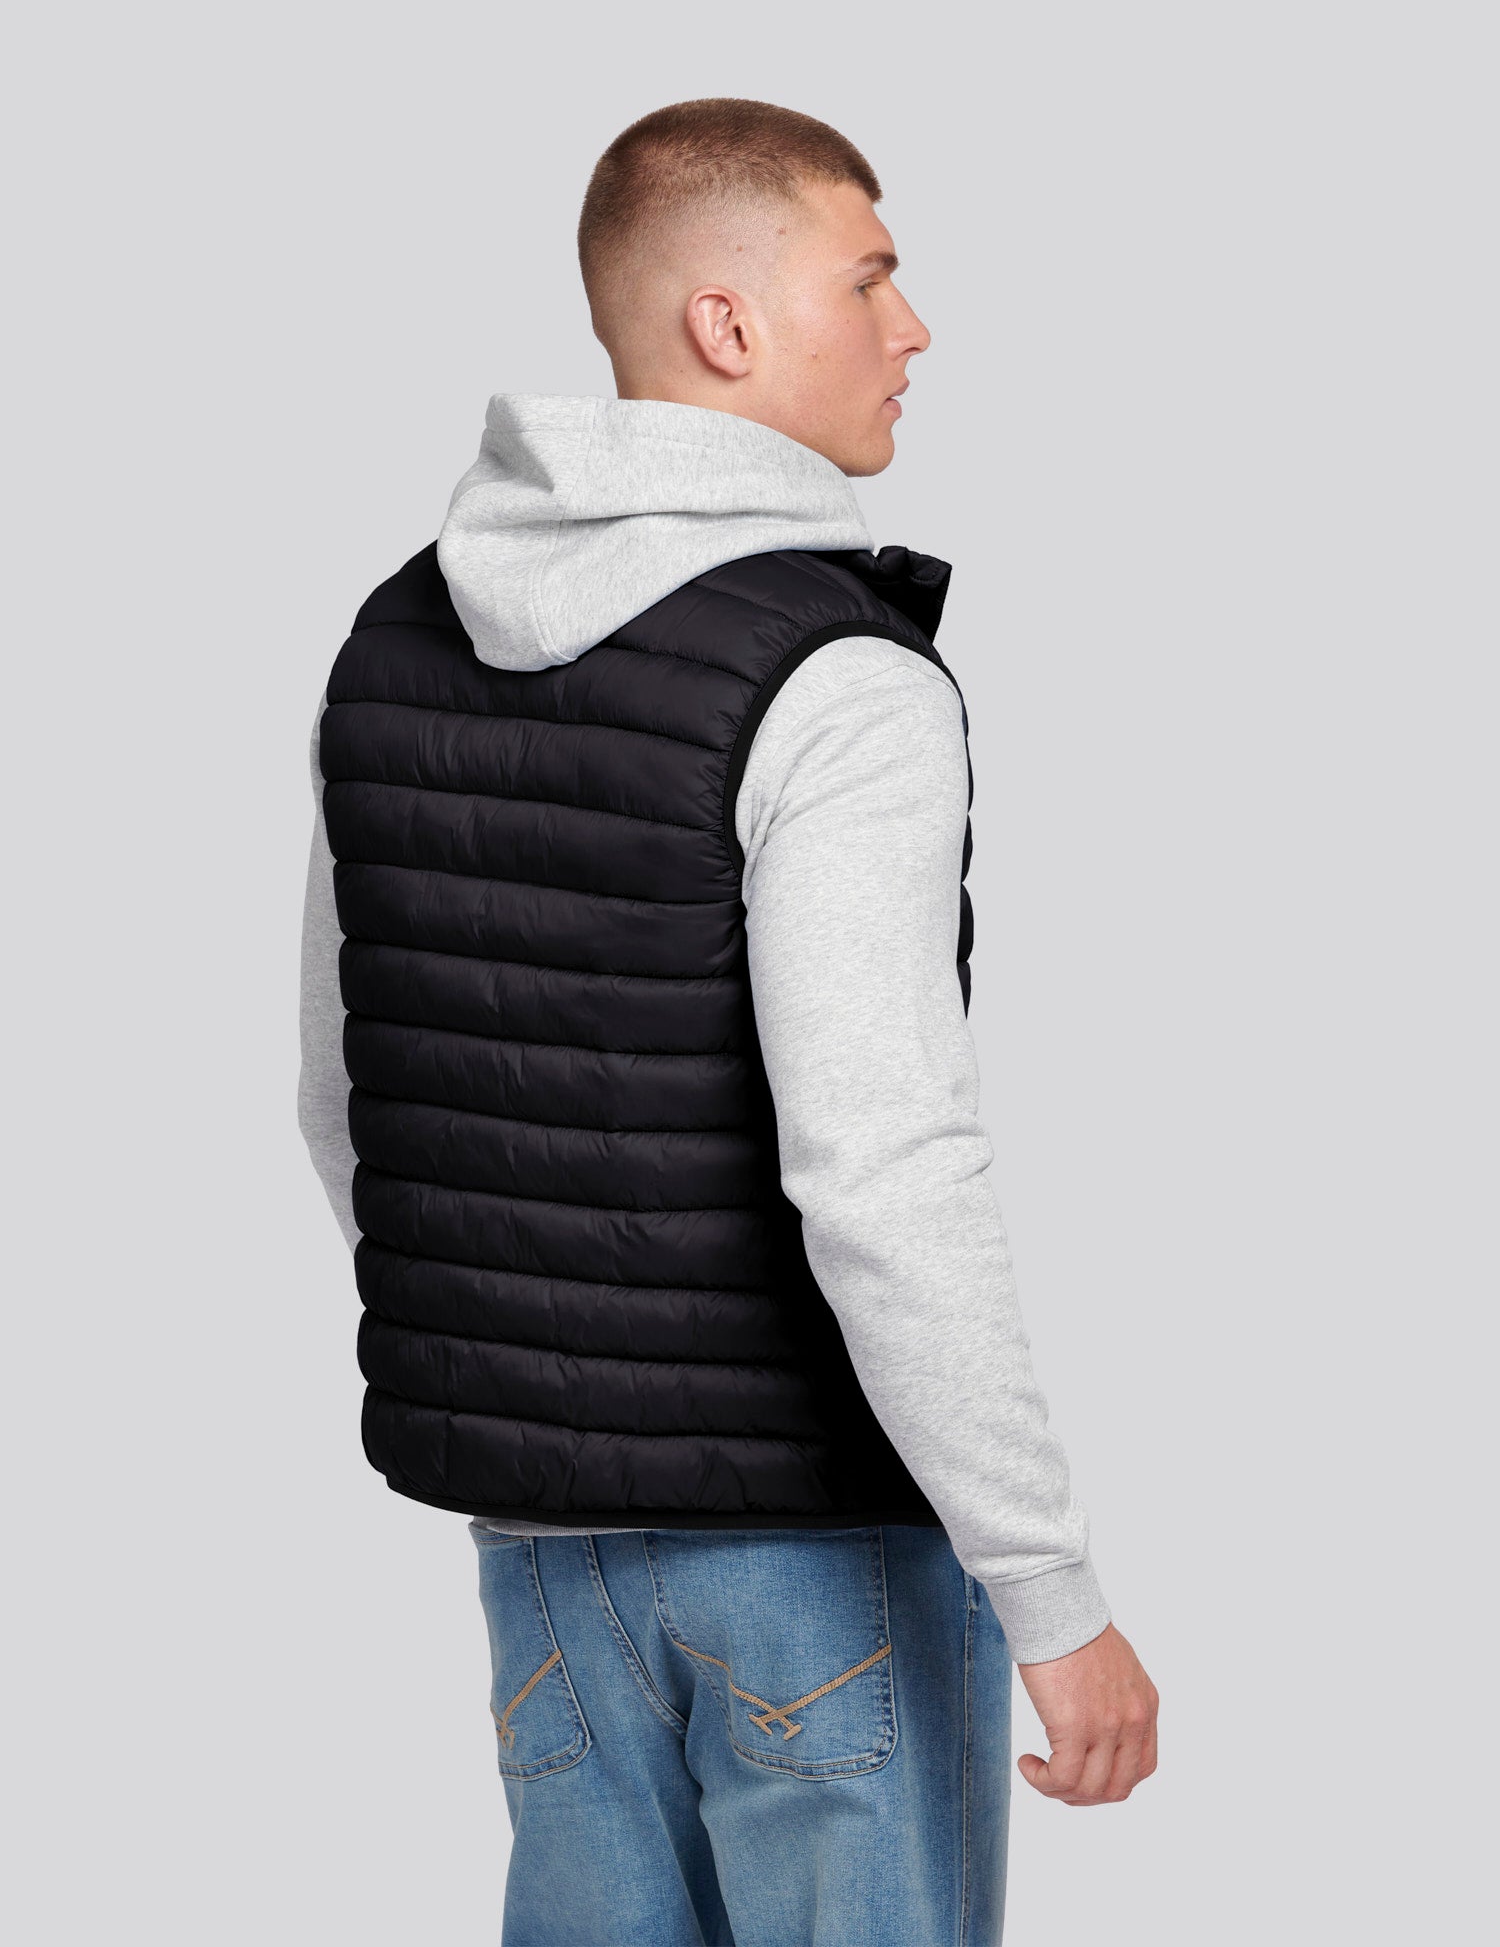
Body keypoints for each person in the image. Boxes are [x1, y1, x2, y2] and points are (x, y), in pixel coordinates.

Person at [299, 97, 1158, 1946]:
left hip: (541, 1559)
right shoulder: (839, 678)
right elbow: (881, 1171)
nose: (915, 326)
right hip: (816, 1553)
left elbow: (345, 1095)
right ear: (729, 324)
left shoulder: (397, 641)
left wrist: (545, 1376)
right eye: (872, 277)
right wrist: (1051, 1590)